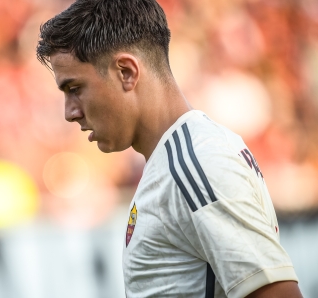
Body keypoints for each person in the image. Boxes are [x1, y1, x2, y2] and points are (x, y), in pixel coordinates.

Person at [36, 0, 303, 297]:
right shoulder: (179, 157)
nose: (69, 112)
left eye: (75, 89)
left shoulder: (196, 163)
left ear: (126, 72)